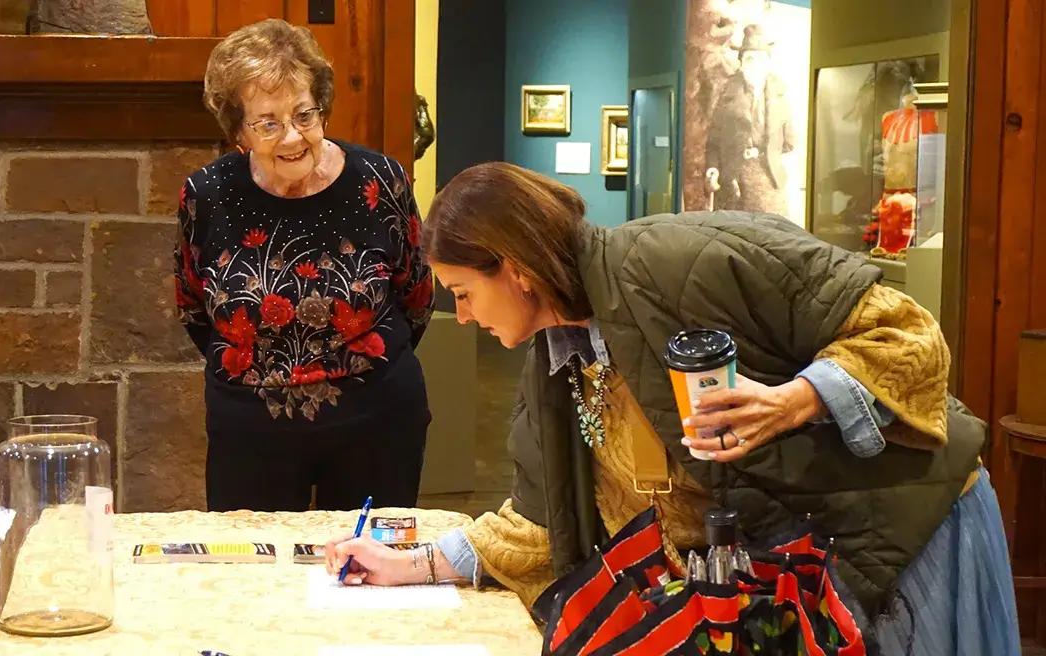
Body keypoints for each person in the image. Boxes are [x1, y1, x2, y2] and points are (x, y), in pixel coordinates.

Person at [322, 162, 1019, 654]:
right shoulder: (559, 360)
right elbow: (543, 521)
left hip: (912, 529)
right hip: (801, 575)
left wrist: (797, 400)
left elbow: (905, 330)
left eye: (464, 291)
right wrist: (410, 563)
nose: (463, 316)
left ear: (516, 269)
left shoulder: (685, 258)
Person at [172, 19, 435, 513]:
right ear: (238, 131)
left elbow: (416, 294)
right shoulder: (206, 194)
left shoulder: (380, 179)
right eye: (268, 122)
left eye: (304, 114)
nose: (292, 136)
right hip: (249, 429)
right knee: (255, 578)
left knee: (368, 577)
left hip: (376, 420)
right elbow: (192, 306)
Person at [705, 23, 795, 216]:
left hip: (769, 182)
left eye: (760, 59)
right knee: (733, 238)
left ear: (768, 64)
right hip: (733, 182)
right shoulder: (726, 96)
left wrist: (764, 153)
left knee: (771, 236)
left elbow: (789, 143)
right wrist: (713, 168)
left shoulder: (781, 97)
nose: (755, 65)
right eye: (749, 59)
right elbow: (713, 142)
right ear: (741, 63)